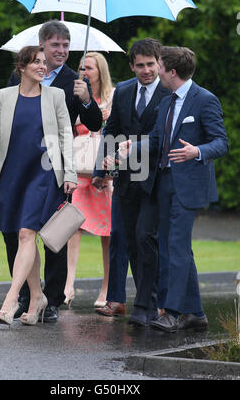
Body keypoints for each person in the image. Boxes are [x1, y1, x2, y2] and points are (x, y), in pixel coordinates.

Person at [0, 20, 102, 323]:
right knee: (16, 233)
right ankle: (30, 297)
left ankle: (48, 298)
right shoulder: (14, 82)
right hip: (16, 167)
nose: (61, 50)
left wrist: (86, 99)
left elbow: (92, 125)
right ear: (41, 46)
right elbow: (4, 123)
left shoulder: (74, 81)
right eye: (55, 45)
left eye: (65, 45)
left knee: (48, 234)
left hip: (49, 169)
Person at [120, 46, 228, 332]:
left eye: (158, 65)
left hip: (189, 186)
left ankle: (172, 312)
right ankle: (196, 313)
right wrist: (135, 146)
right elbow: (156, 140)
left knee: (176, 249)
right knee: (175, 248)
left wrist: (198, 151)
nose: (154, 70)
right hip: (163, 183)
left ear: (171, 71)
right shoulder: (166, 102)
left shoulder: (205, 100)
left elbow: (221, 143)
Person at [96, 39, 169, 324]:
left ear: (160, 63)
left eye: (151, 64)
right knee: (124, 239)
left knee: (146, 239)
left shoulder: (169, 91)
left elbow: (164, 137)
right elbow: (111, 130)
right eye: (140, 65)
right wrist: (100, 169)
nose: (146, 70)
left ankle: (152, 303)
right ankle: (137, 301)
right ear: (131, 66)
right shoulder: (124, 90)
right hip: (125, 178)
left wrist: (133, 146)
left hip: (156, 179)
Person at [64, 52, 114, 307]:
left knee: (107, 231)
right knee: (73, 226)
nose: (84, 71)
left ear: (100, 71)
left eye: (90, 68)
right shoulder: (75, 93)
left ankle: (106, 288)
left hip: (103, 171)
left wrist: (104, 115)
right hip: (79, 168)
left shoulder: (112, 96)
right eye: (81, 67)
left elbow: (118, 129)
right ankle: (68, 284)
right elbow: (67, 125)